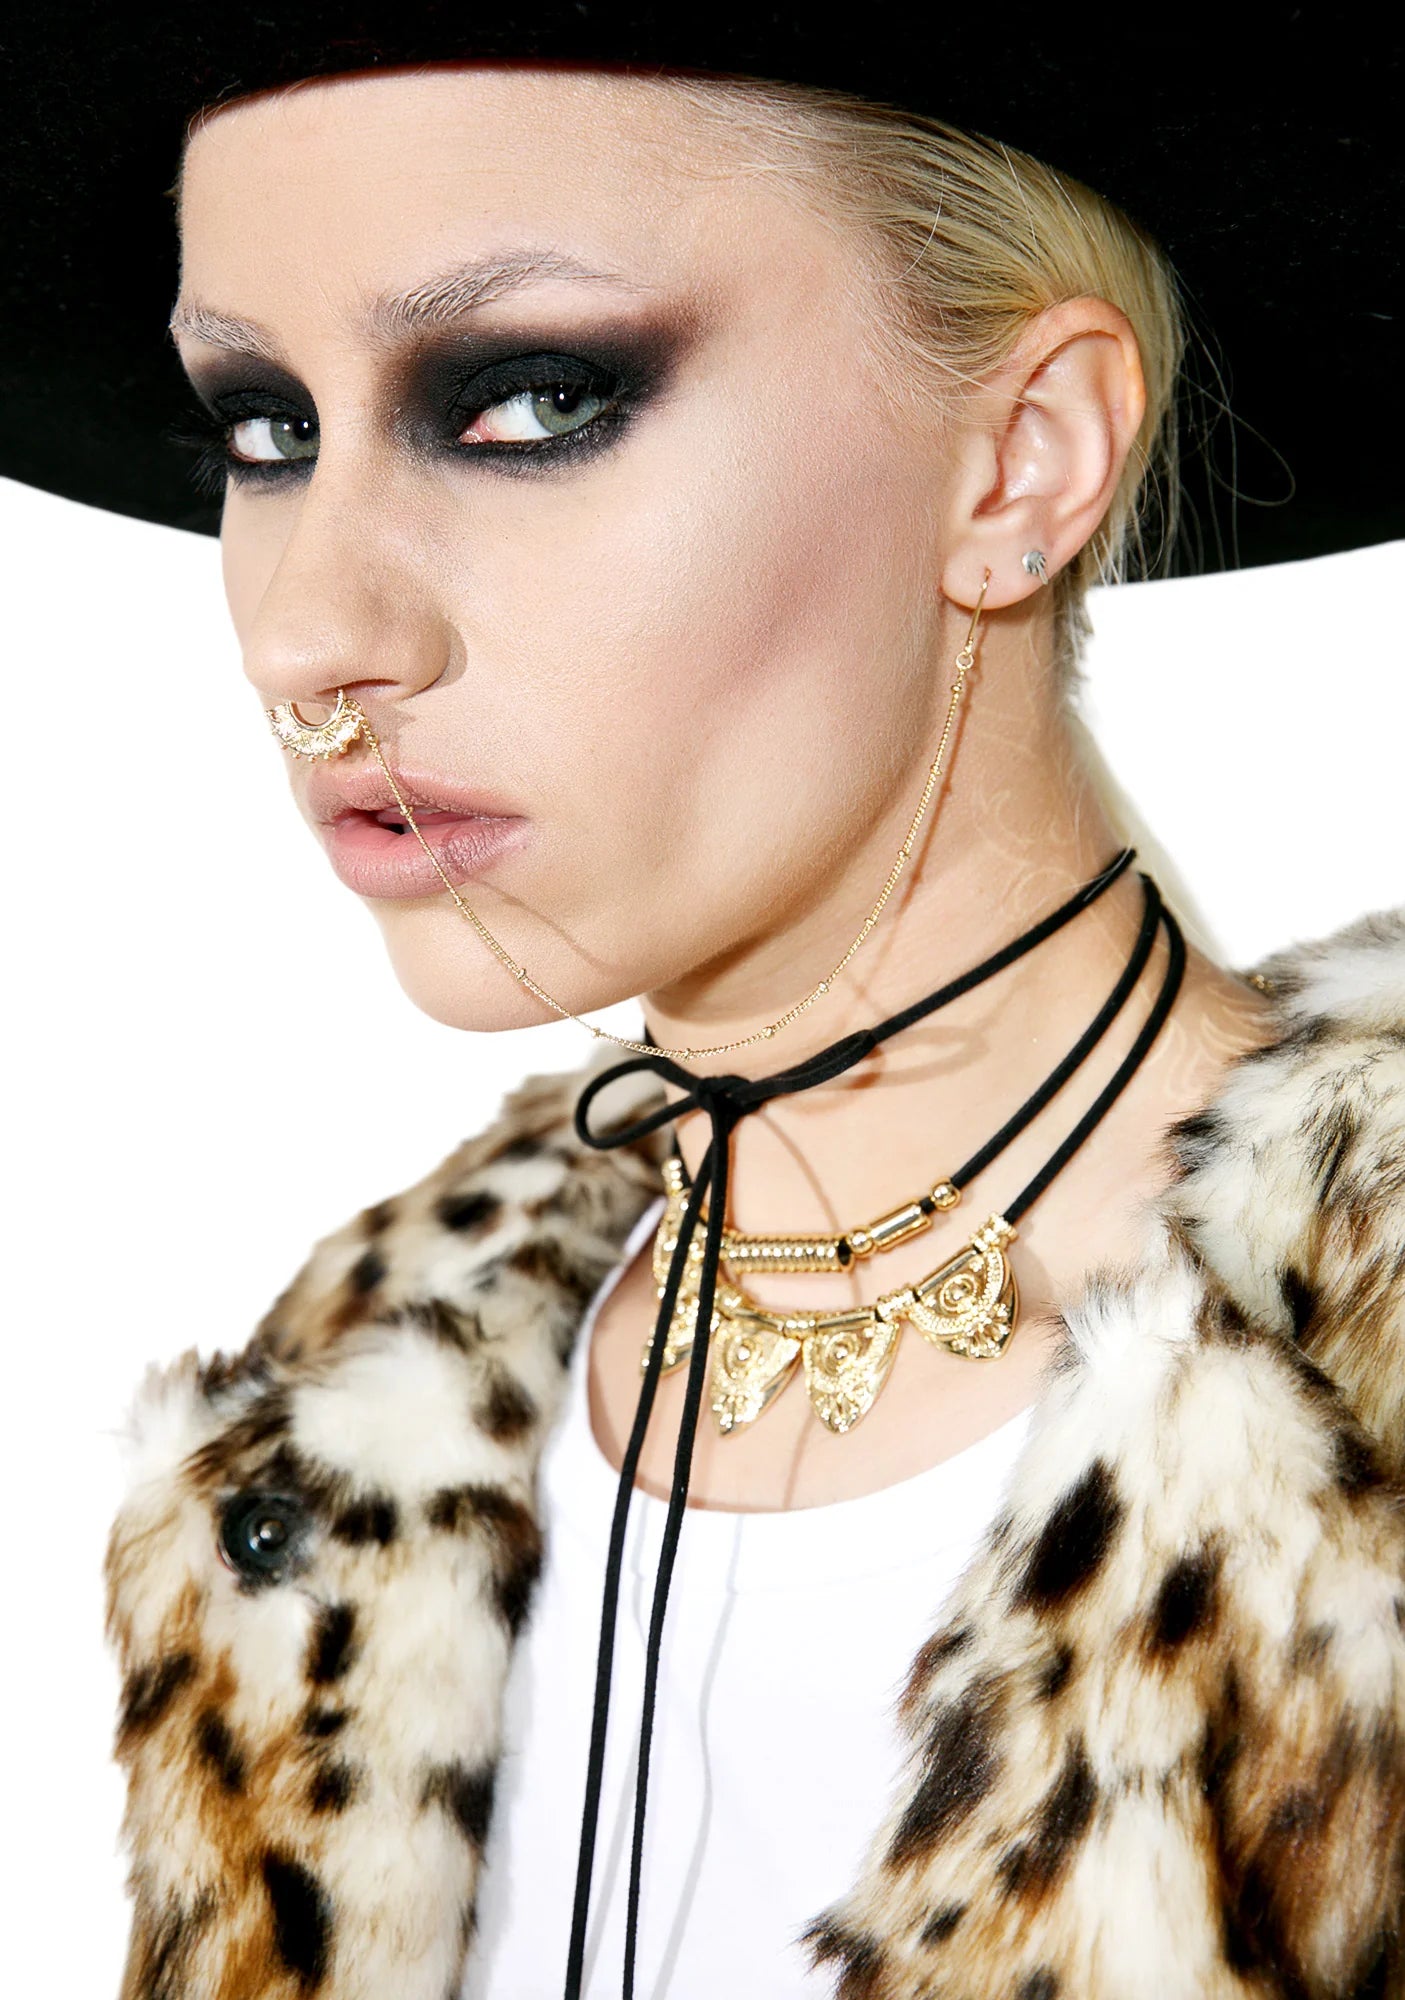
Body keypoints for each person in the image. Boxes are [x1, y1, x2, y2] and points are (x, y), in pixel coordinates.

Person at [3, 14, 1401, 1998]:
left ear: (1022, 457)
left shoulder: (1362, 1438)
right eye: (264, 428)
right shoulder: (334, 1447)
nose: (307, 632)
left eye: (527, 401)